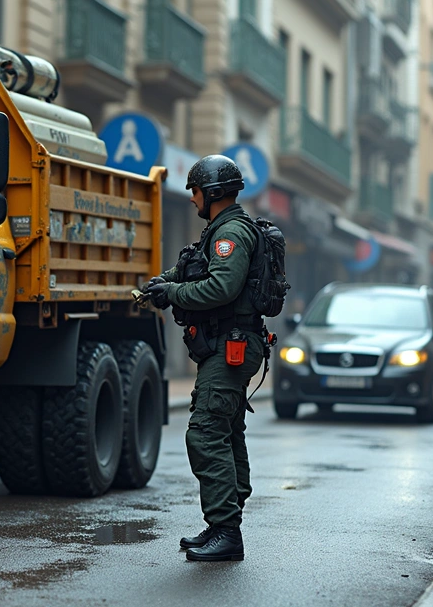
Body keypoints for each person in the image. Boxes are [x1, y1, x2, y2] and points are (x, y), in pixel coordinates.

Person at [143, 154, 268, 562]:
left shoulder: (230, 232)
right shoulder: (219, 230)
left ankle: (227, 532)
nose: (193, 198)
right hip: (227, 345)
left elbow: (221, 287)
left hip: (230, 346)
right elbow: (195, 270)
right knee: (227, 431)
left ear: (211, 192)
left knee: (205, 432)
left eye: (195, 190)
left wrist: (172, 295)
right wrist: (164, 282)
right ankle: (222, 526)